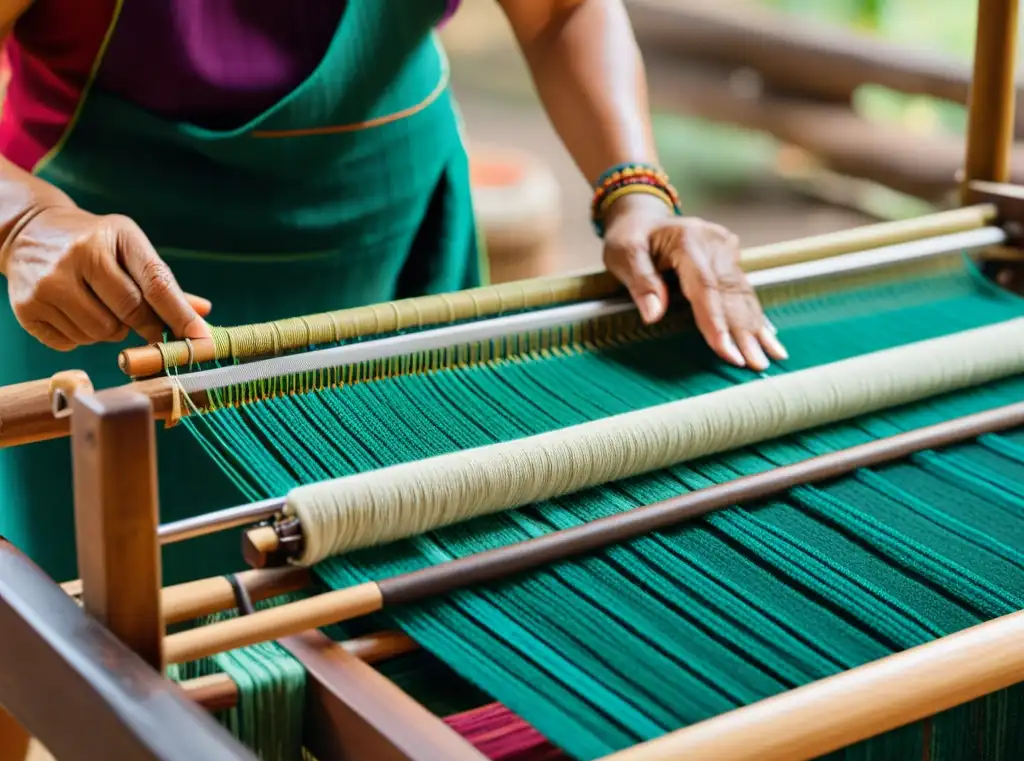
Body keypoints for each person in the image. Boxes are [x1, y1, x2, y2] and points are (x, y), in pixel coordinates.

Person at [0, 0, 786, 583]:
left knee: (405, 593)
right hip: (107, 299)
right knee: (73, 627)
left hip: (398, 274)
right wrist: (23, 222)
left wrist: (636, 194)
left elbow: (560, 13)